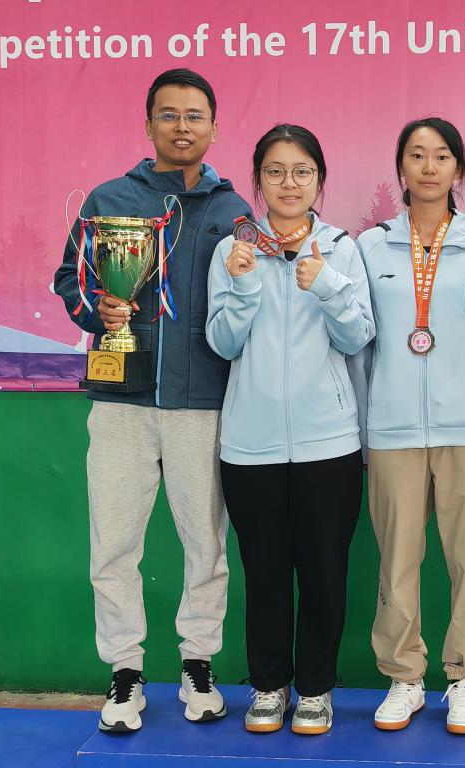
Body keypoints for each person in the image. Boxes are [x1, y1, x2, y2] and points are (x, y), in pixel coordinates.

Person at [53, 68, 252, 732]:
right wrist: (97, 309)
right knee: (113, 545)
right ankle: (125, 671)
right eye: (168, 115)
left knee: (207, 545)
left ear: (214, 127)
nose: (181, 126)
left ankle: (198, 662)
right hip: (122, 403)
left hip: (204, 405)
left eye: (194, 115)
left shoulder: (234, 212)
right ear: (148, 125)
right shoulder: (110, 198)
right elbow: (70, 277)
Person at [206, 124, 373, 736]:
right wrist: (244, 287)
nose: (288, 183)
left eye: (302, 171)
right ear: (258, 181)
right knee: (265, 573)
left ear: (319, 180)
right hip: (250, 446)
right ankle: (268, 685)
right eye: (275, 171)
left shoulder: (341, 249)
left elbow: (358, 335)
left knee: (325, 573)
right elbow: (222, 343)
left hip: (329, 444)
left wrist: (324, 284)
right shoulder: (234, 251)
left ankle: (317, 689)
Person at [357, 117, 465, 735]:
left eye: (442, 155)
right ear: (401, 167)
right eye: (417, 155)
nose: (428, 167)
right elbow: (360, 341)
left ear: (458, 168)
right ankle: (404, 677)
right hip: (392, 429)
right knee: (397, 560)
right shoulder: (370, 247)